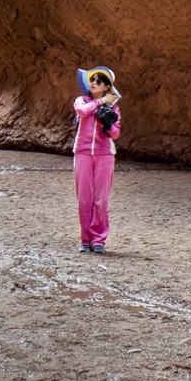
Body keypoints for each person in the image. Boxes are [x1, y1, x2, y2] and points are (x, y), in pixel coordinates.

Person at [71, 66, 123, 253]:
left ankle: (99, 240)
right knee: (84, 199)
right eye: (92, 80)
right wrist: (100, 102)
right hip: (83, 152)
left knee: (101, 200)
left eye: (99, 81)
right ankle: (86, 240)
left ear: (107, 87)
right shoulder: (81, 101)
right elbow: (83, 111)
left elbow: (115, 134)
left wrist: (107, 123)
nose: (94, 83)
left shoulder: (113, 108)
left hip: (105, 155)